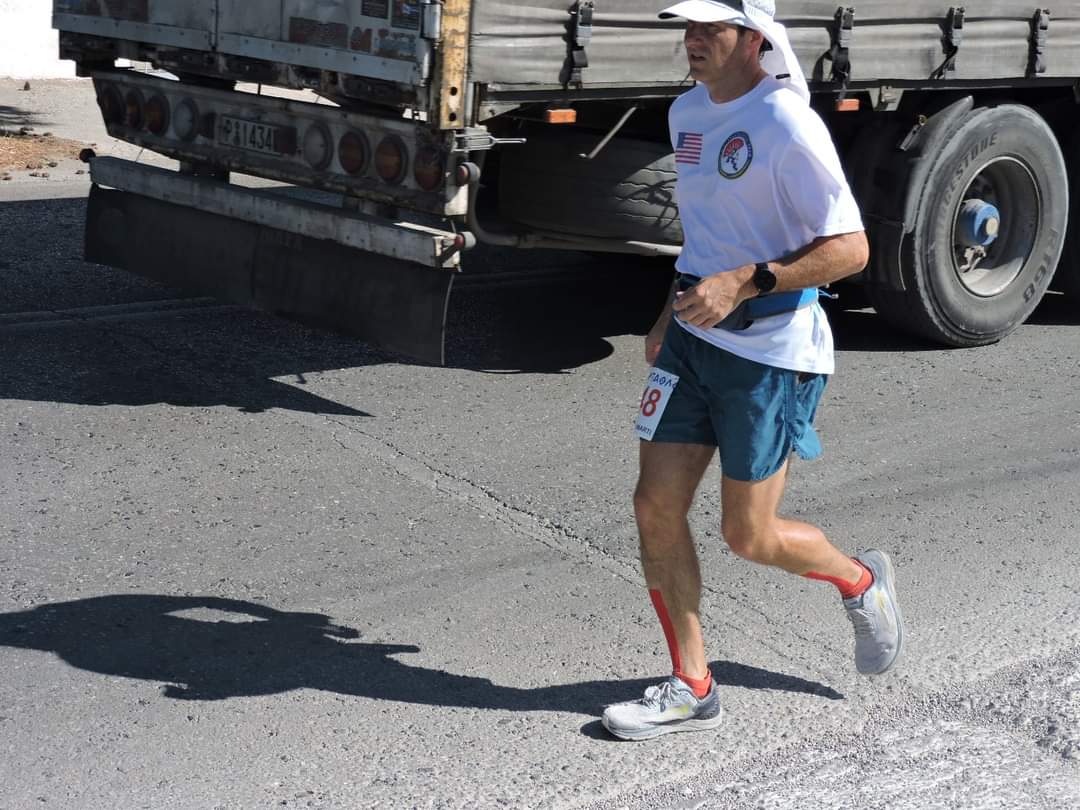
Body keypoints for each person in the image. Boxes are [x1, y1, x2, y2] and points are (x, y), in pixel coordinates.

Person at [601, 0, 904, 742]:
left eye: (711, 28)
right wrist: (672, 312)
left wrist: (748, 281)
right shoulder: (686, 114)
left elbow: (852, 249)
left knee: (750, 535)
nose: (693, 40)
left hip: (771, 354)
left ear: (755, 38)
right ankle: (692, 687)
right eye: (688, 27)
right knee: (653, 507)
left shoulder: (787, 122)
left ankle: (860, 582)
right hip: (694, 342)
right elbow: (707, 231)